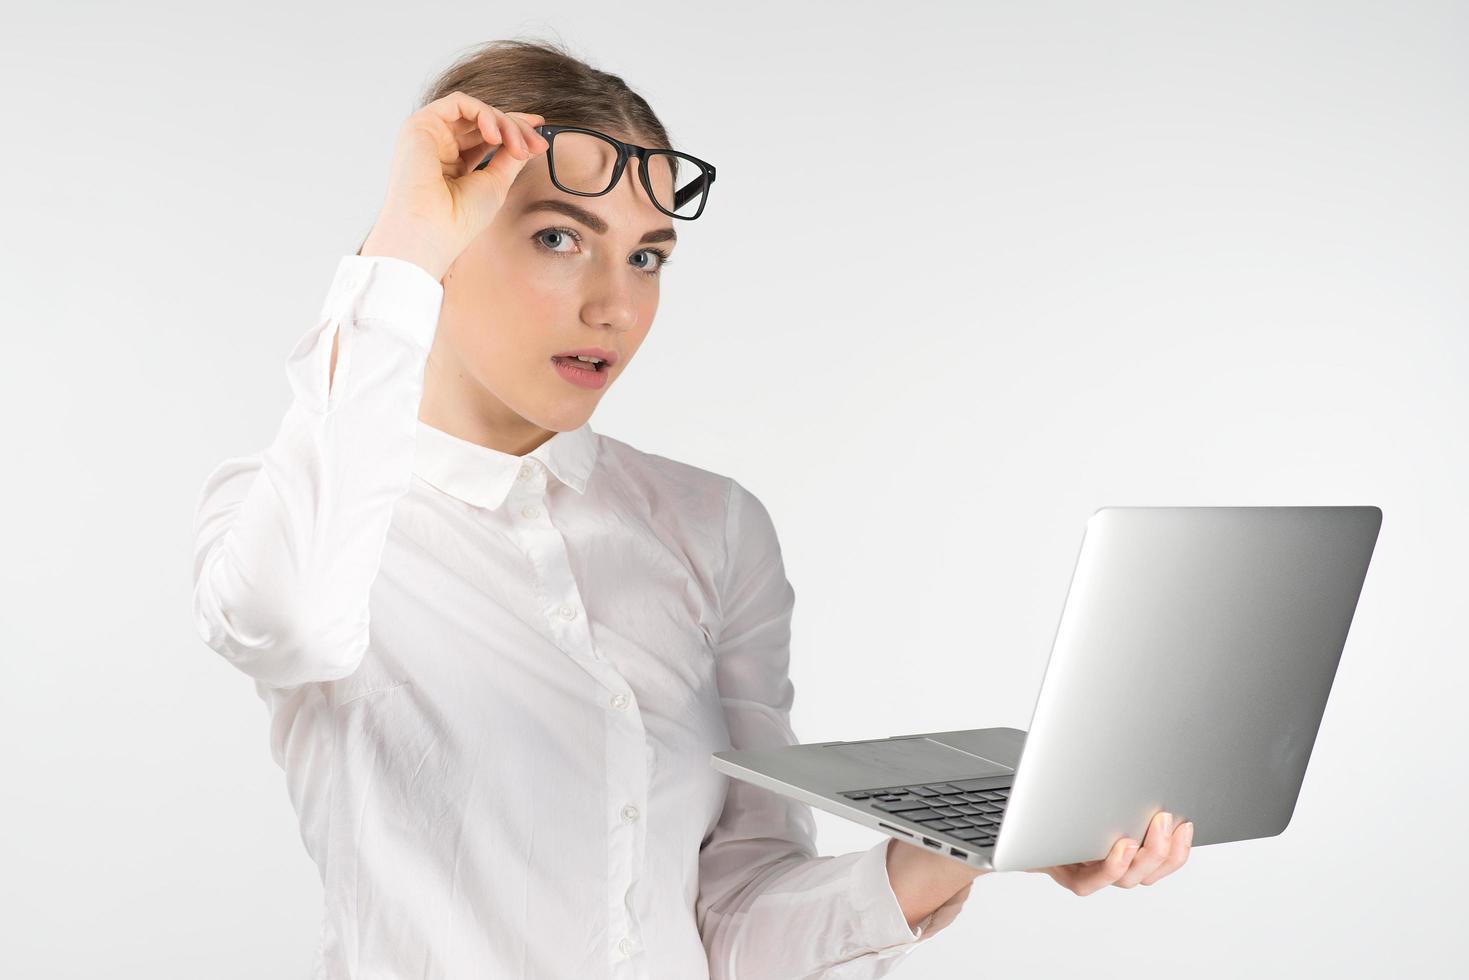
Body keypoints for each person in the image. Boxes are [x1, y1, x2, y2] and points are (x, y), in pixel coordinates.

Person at [190, 37, 1192, 980]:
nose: (614, 305)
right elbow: (286, 620)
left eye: (647, 256)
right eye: (556, 237)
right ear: (443, 236)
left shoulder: (708, 525)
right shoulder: (298, 508)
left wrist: (973, 842)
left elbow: (736, 919)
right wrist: (399, 247)